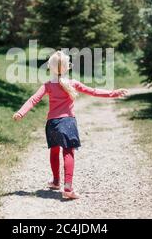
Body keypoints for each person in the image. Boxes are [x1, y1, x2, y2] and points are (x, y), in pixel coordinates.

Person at [13, 50, 128, 199]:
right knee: (68, 152)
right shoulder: (72, 83)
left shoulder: (48, 85)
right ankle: (68, 187)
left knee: (54, 151)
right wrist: (113, 93)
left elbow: (33, 99)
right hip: (68, 122)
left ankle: (55, 181)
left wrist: (21, 113)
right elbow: (93, 91)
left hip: (52, 123)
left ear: (49, 67)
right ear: (68, 67)